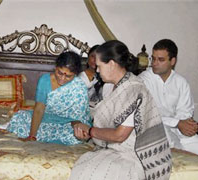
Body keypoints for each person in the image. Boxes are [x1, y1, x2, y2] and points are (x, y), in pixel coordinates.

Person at [70, 40, 171, 180]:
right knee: (83, 169)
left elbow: (119, 136)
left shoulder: (134, 89)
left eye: (99, 66)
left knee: (96, 174)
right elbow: (105, 123)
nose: (97, 70)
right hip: (110, 149)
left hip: (131, 154)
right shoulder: (108, 87)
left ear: (111, 64)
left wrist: (90, 131)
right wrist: (87, 134)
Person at [7, 51, 92, 145]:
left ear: (75, 74)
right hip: (47, 118)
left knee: (74, 135)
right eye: (59, 73)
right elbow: (39, 109)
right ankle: (41, 136)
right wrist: (32, 136)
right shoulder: (45, 80)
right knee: (20, 116)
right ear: (55, 67)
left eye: (68, 76)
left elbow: (78, 117)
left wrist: (77, 127)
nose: (62, 78)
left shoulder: (79, 87)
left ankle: (50, 136)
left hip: (68, 124)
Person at [139, 39, 198, 155]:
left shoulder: (181, 82)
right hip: (155, 131)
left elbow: (185, 113)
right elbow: (147, 114)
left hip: (179, 132)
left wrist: (185, 125)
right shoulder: (143, 80)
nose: (154, 63)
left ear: (173, 61)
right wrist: (176, 123)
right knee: (167, 140)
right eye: (153, 58)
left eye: (160, 60)